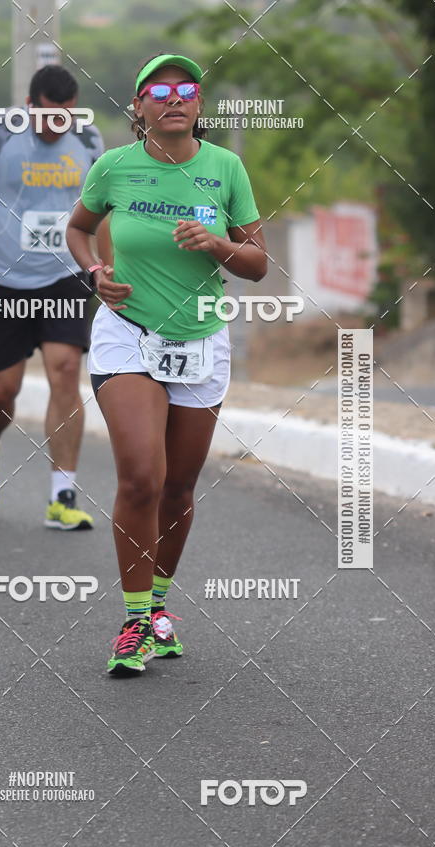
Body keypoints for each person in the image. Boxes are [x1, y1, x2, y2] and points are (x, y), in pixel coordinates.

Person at [67, 53, 267, 674]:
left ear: (200, 104)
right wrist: (95, 271)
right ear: (139, 107)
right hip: (127, 333)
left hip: (201, 340)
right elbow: (77, 229)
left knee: (178, 487)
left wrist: (219, 244)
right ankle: (133, 624)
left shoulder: (226, 168)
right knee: (141, 478)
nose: (174, 98)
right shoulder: (113, 167)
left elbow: (258, 263)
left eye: (186, 89)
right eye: (159, 91)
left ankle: (157, 608)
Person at [0, 65, 108, 529]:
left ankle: (62, 495)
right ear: (29, 106)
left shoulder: (89, 139)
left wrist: (103, 266)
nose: (59, 125)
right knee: (2, 393)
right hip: (4, 280)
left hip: (65, 275)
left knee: (66, 371)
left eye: (67, 115)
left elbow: (102, 211)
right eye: (49, 116)